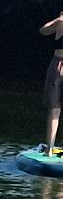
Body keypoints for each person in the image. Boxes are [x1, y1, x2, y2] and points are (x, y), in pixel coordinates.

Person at [41, 11, 63, 154]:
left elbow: (44, 30)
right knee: (54, 108)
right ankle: (49, 148)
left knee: (55, 109)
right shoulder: (61, 23)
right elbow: (43, 30)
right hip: (58, 66)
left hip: (59, 66)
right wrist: (58, 20)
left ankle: (52, 149)